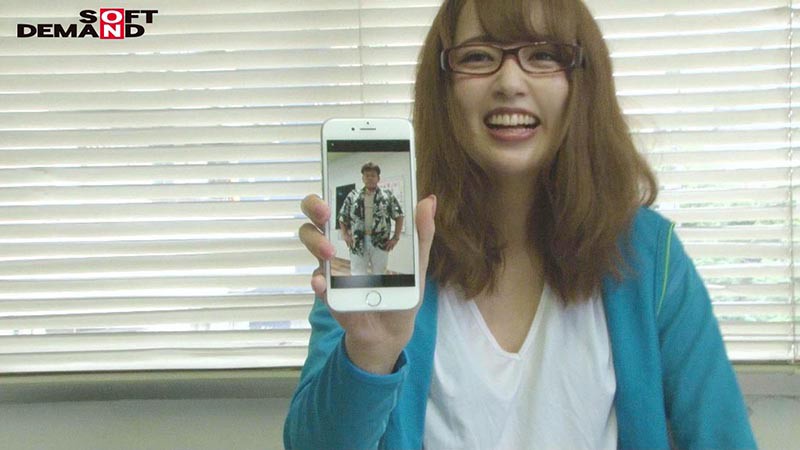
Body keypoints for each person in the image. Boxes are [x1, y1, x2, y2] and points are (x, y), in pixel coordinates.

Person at [286, 0, 757, 448]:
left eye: (544, 55)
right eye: (478, 56)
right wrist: (370, 352)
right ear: (443, 87)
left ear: (581, 82)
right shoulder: (388, 259)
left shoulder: (650, 255)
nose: (510, 81)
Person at [338, 162, 405, 275]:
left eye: (373, 175)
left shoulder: (387, 196)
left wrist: (395, 238)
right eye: (367, 175)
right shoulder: (352, 196)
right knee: (357, 274)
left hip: (381, 242)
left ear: (378, 178)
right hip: (358, 241)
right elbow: (342, 216)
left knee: (380, 273)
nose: (370, 178)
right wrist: (345, 234)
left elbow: (399, 216)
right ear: (363, 178)